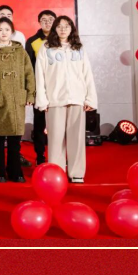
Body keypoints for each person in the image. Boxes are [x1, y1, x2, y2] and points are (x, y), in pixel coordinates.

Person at [35, 15, 97, 183]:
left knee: (77, 138)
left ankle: (76, 172)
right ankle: (57, 172)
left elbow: (87, 74)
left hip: (77, 98)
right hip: (55, 99)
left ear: (71, 29)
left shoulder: (78, 48)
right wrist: (42, 100)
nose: (63, 29)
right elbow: (39, 75)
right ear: (55, 28)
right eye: (59, 26)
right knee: (55, 139)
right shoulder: (46, 48)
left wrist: (90, 98)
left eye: (66, 26)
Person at [0, 17, 35, 183]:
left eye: (7, 29)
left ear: (12, 32)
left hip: (17, 98)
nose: (3, 33)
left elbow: (29, 74)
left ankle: (15, 171)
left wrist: (30, 94)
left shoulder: (20, 52)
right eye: (0, 30)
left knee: (15, 139)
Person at [25, 9, 57, 165]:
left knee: (58, 124)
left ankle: (57, 156)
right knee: (39, 124)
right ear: (39, 22)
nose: (47, 22)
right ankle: (40, 156)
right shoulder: (32, 41)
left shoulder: (62, 40)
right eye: (44, 19)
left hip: (58, 89)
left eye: (51, 19)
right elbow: (28, 68)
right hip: (40, 89)